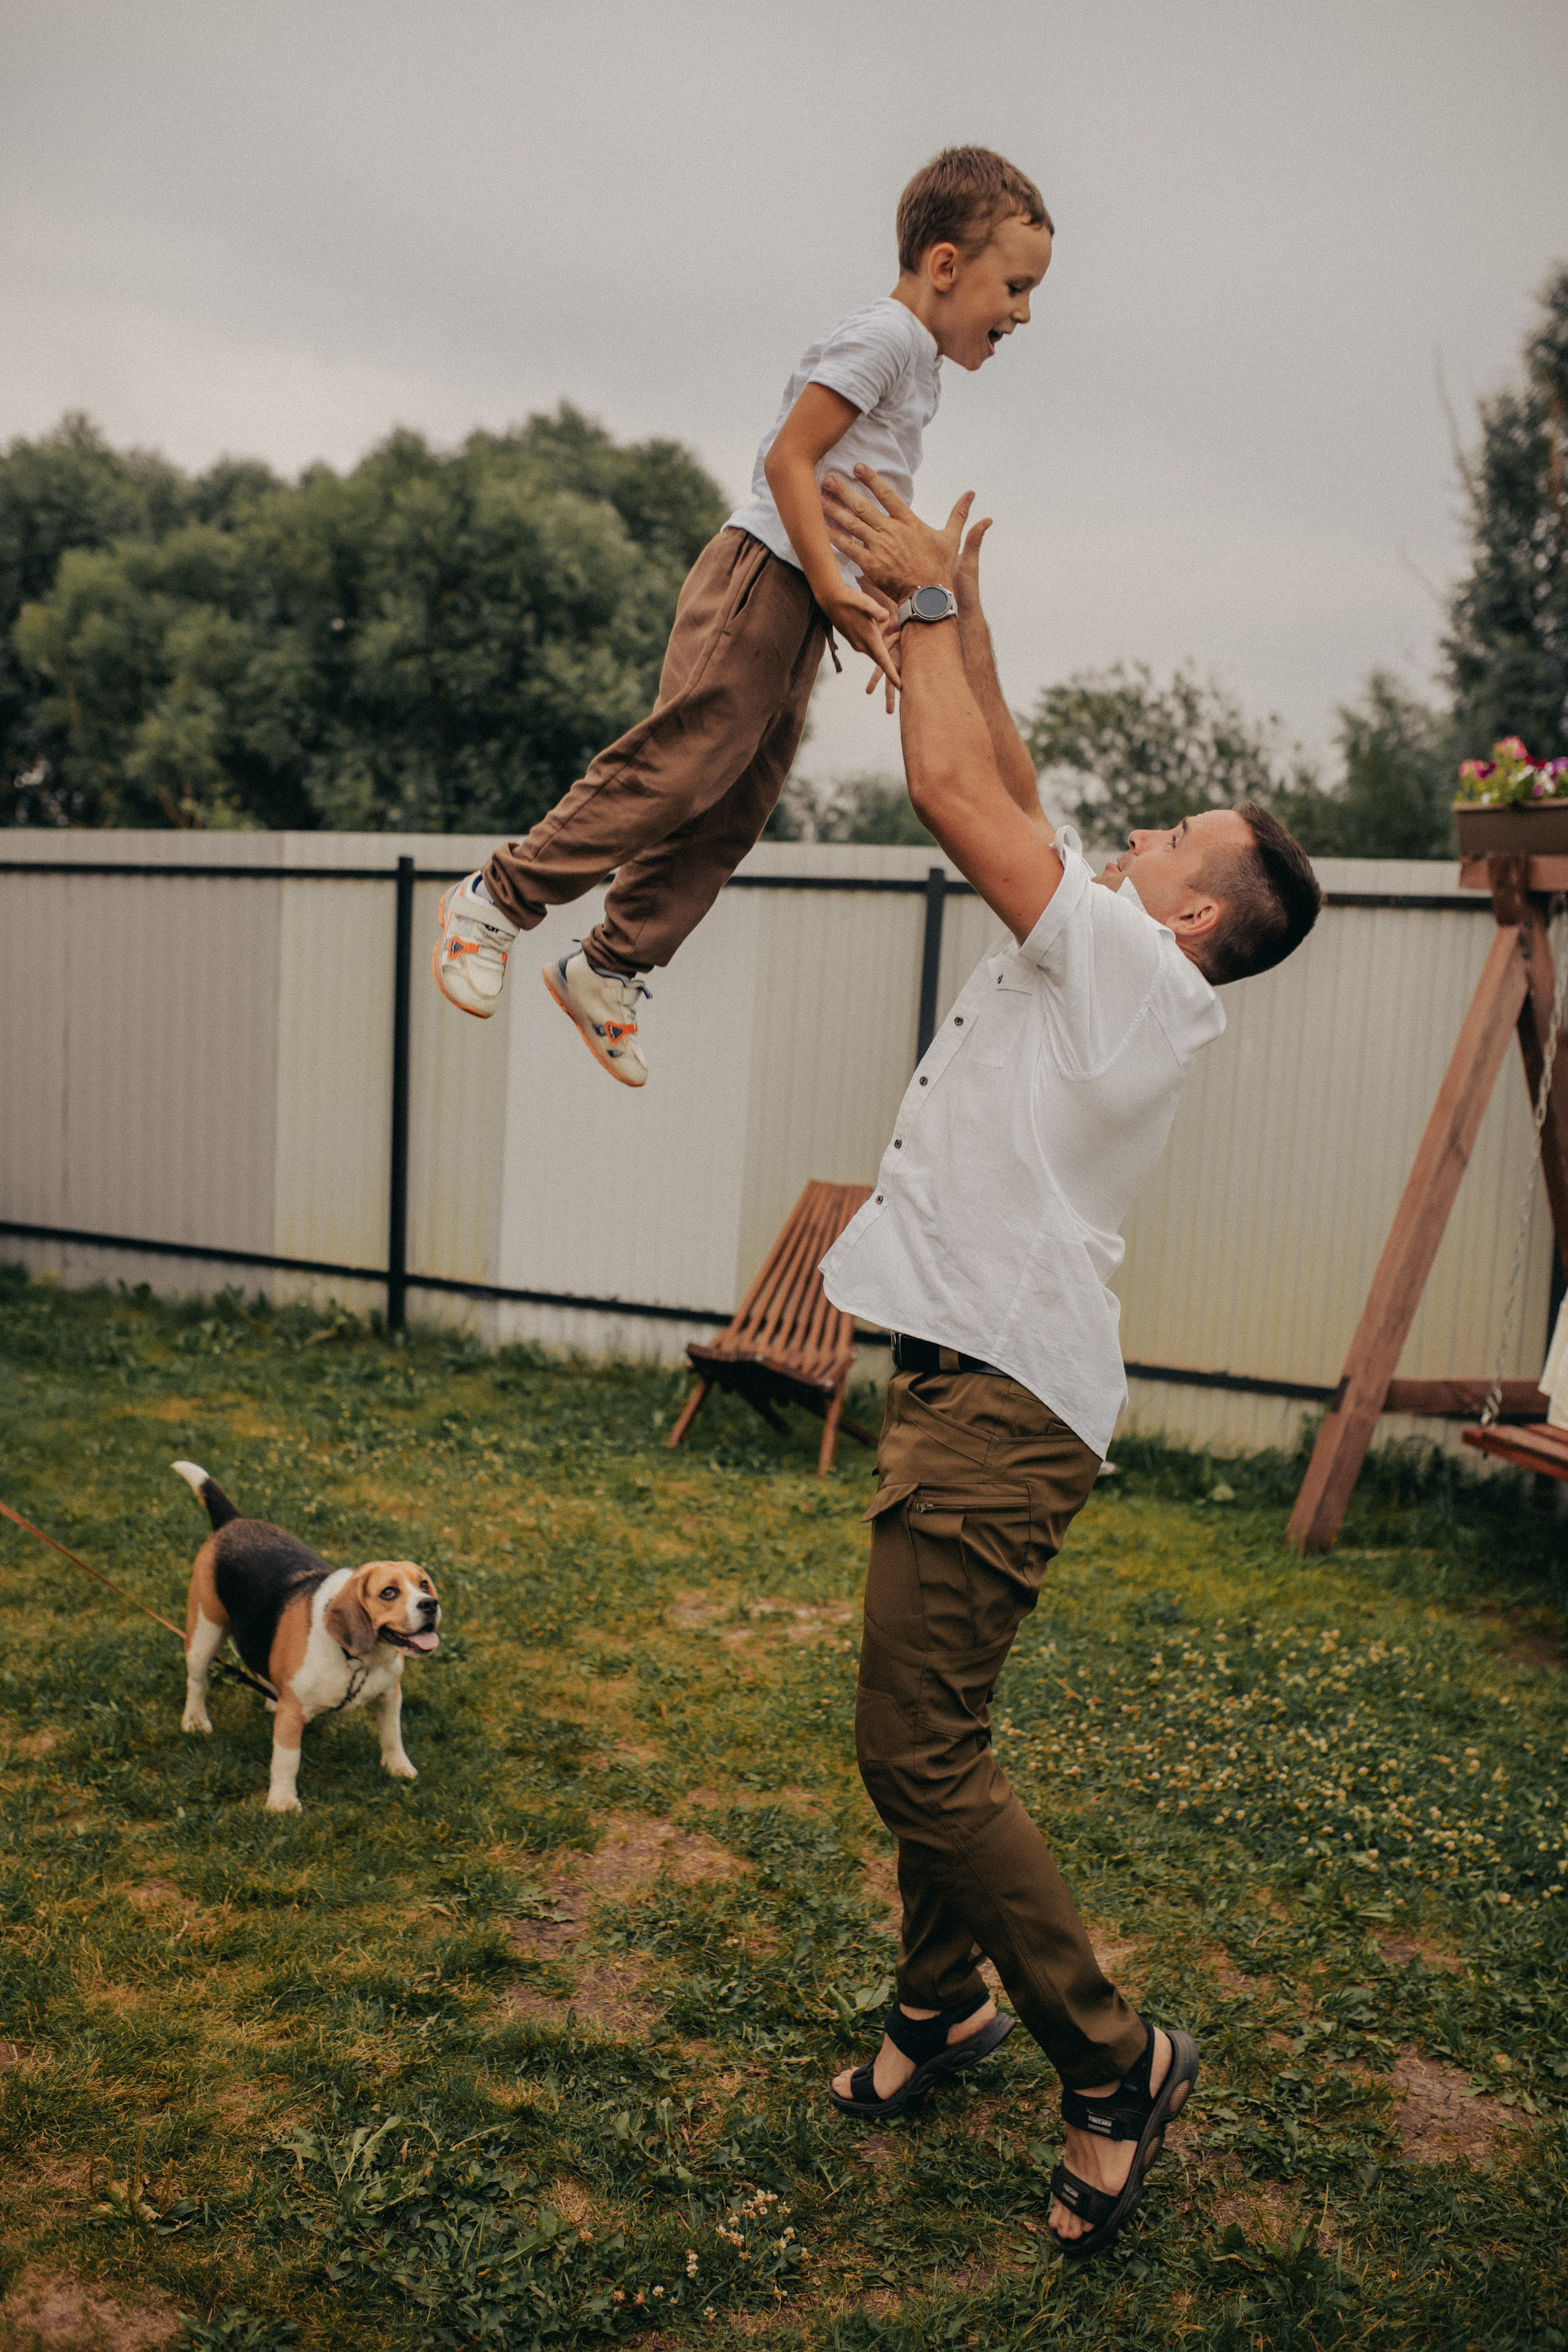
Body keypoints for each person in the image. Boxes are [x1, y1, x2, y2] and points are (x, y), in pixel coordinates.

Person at [813, 463, 1322, 2259]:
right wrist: (960, 602)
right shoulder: (1116, 948)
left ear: (1196, 911)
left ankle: (1113, 2060)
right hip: (970, 1380)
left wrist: (932, 612)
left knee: (915, 1753)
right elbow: (1012, 776)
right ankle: (936, 2008)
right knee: (938, 1730)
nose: (1155, 826)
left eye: (1185, 829)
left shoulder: (1132, 971)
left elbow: (958, 788)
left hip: (1004, 1402)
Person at [429, 146, 1055, 1087]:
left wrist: (861, 606)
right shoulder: (885, 336)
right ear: (944, 265)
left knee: (738, 800)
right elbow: (789, 463)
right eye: (1014, 286)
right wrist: (827, 581)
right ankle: (495, 901)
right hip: (764, 571)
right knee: (688, 759)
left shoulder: (916, 366)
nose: (1024, 312)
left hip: (805, 593)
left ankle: (611, 966)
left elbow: (854, 499)